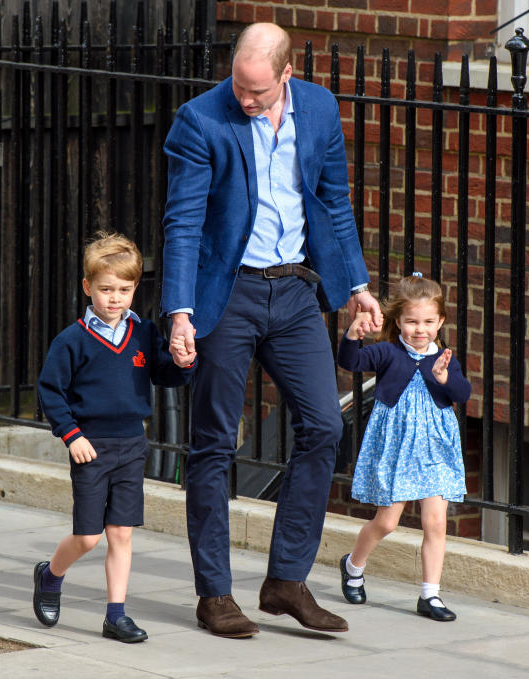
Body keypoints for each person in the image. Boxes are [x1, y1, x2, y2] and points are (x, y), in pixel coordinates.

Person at [162, 22, 383, 638]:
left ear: (286, 74)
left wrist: (357, 287)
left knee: (324, 424)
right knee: (212, 444)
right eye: (238, 84)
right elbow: (182, 222)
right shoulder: (201, 120)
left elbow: (334, 202)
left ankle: (286, 579)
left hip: (293, 292)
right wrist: (180, 311)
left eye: (257, 90)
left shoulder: (318, 108)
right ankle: (214, 594)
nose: (245, 99)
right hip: (226, 295)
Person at [32, 231, 196, 643]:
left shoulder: (143, 334)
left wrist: (182, 362)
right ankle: (50, 575)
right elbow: (50, 392)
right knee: (88, 536)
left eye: (124, 289)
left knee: (121, 533)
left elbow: (164, 374)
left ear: (135, 289)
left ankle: (116, 615)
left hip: (131, 446)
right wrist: (72, 436)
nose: (115, 298)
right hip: (90, 447)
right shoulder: (71, 341)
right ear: (87, 288)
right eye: (106, 289)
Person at [336, 274, 471, 622]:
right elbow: (350, 362)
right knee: (387, 523)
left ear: (440, 321)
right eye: (412, 321)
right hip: (397, 448)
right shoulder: (387, 352)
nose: (420, 329)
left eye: (428, 321)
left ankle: (431, 595)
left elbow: (462, 393)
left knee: (435, 522)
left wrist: (445, 379)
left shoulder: (443, 358)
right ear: (399, 321)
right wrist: (352, 335)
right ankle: (353, 566)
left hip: (435, 450)